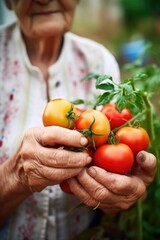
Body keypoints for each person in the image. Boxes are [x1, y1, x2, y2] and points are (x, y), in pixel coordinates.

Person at [0, 0, 157, 240]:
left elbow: (114, 180)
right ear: (9, 3)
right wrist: (15, 177)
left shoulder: (100, 62)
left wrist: (120, 197)